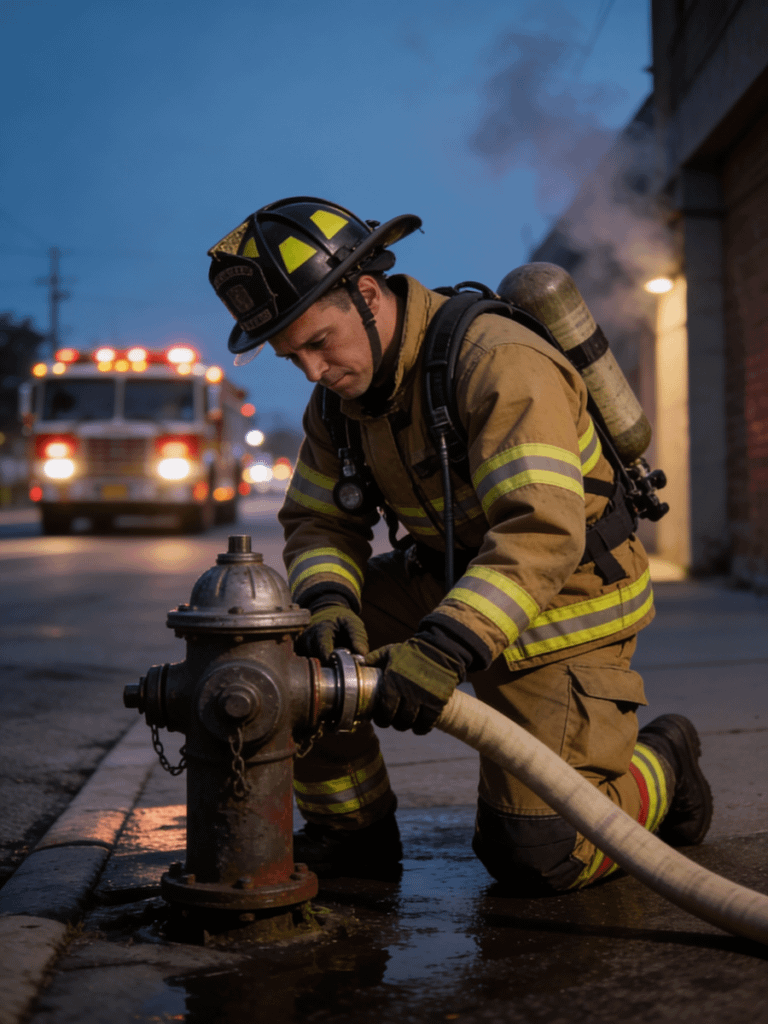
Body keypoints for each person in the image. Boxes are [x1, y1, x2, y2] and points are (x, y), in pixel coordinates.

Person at [207, 196, 712, 892]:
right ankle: (353, 837)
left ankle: (666, 764)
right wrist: (328, 604)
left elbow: (541, 531)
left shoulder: (499, 362)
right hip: (450, 583)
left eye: (320, 342)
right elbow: (320, 521)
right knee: (287, 661)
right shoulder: (340, 404)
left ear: (367, 291)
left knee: (538, 855)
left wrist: (443, 648)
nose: (314, 371)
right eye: (293, 358)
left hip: (566, 605)